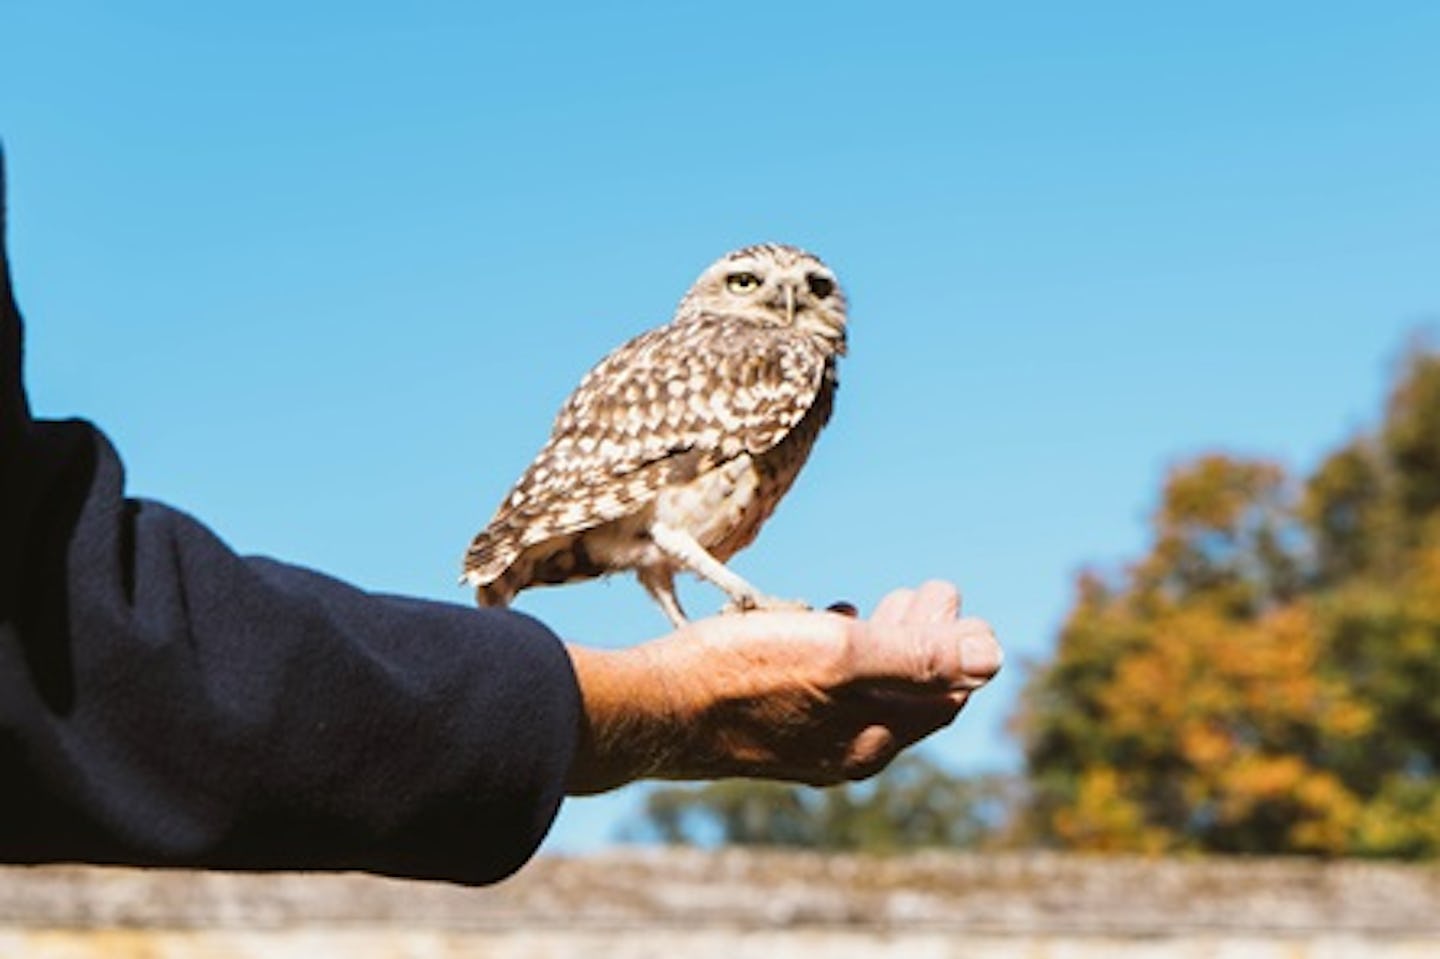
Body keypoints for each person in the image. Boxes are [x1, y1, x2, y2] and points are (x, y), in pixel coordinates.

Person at [0, 151, 1002, 886]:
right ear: (711, 295)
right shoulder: (756, 361)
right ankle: (712, 616)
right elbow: (669, 510)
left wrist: (678, 677)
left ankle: (698, 623)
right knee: (669, 539)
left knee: (660, 551)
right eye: (750, 284)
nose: (780, 305)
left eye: (810, 292)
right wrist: (709, 657)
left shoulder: (784, 357)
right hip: (644, 506)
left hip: (620, 537)